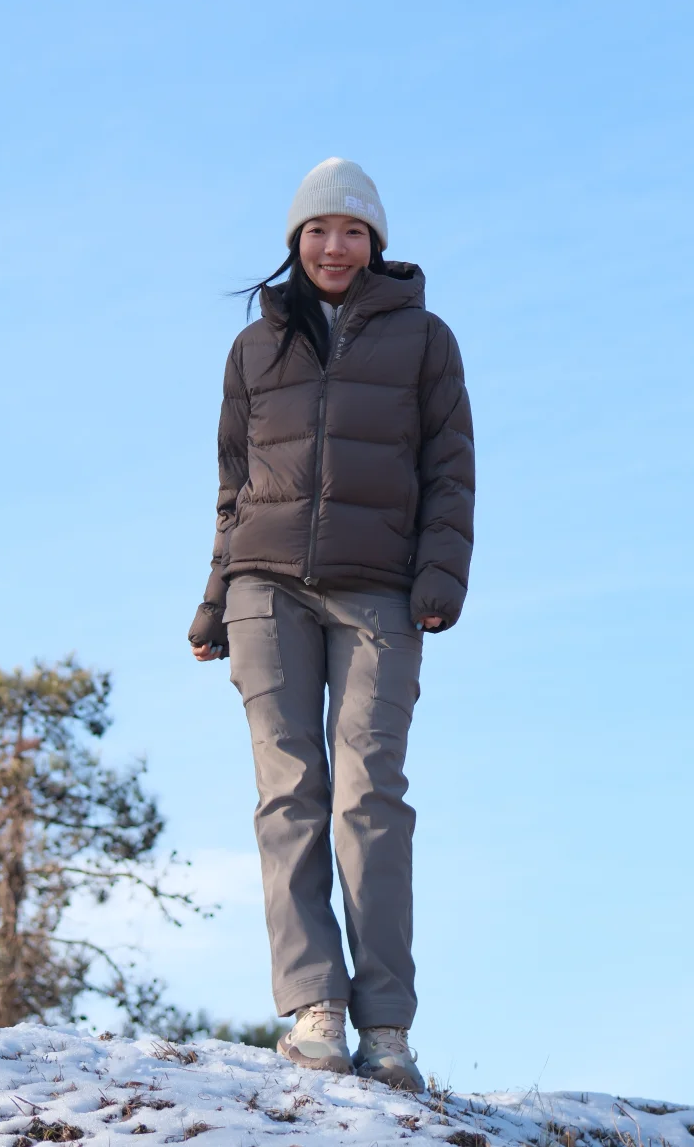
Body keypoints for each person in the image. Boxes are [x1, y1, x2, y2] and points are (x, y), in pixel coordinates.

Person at [188, 157, 475, 1092]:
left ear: (376, 244)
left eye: (353, 231)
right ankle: (315, 1006)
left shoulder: (426, 340)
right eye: (318, 230)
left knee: (368, 796)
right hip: (264, 589)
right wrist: (214, 597)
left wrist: (439, 577)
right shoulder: (253, 348)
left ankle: (385, 1025)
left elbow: (450, 473)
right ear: (295, 241)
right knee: (288, 793)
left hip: (380, 592)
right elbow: (233, 487)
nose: (335, 246)